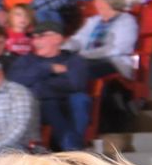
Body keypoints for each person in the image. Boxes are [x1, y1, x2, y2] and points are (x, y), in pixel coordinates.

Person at [9, 20, 91, 151]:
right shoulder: (26, 61)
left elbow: (75, 84)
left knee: (80, 99)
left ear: (58, 38)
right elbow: (14, 82)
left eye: (41, 36)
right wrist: (47, 68)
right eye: (34, 37)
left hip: (66, 104)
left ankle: (73, 145)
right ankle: (74, 148)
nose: (36, 42)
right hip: (39, 108)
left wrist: (38, 86)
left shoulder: (73, 60)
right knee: (48, 104)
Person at [64, 0, 139, 79]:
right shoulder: (94, 20)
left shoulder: (127, 21)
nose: (95, 4)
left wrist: (84, 55)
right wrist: (64, 50)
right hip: (87, 58)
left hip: (113, 61)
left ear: (110, 1)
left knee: (76, 69)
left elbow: (115, 49)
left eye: (99, 1)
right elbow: (79, 39)